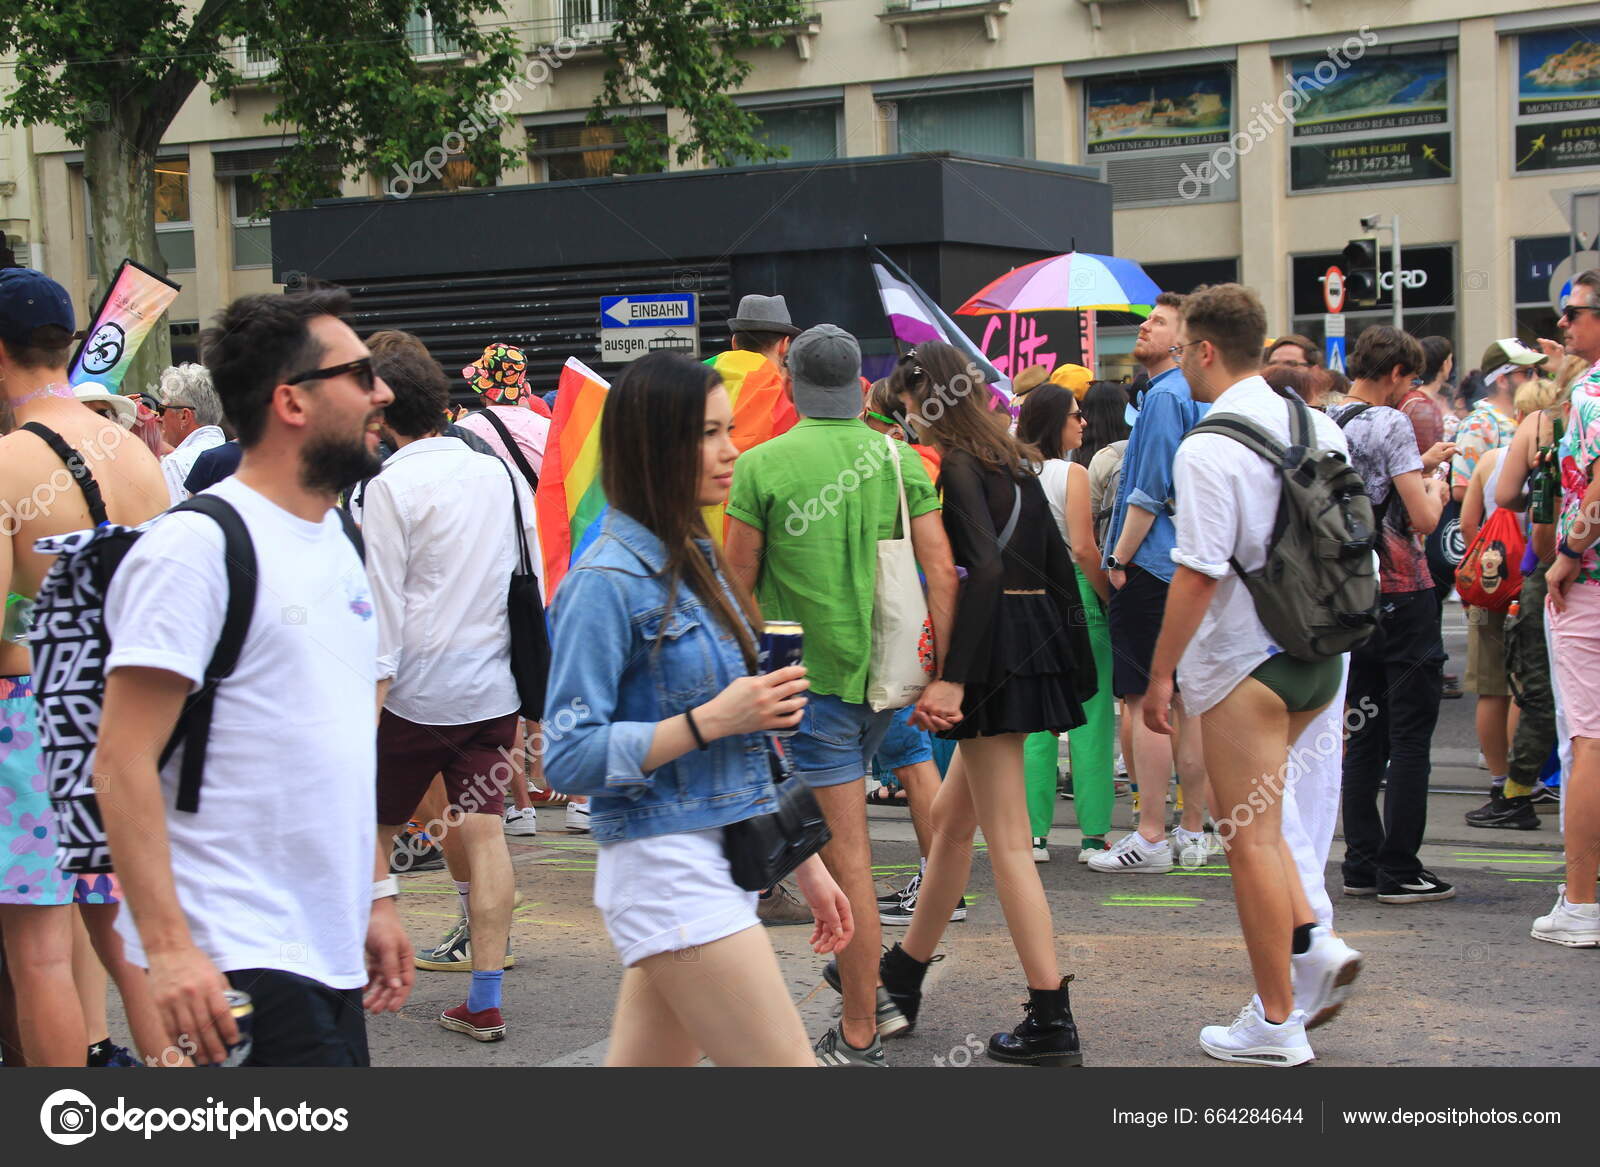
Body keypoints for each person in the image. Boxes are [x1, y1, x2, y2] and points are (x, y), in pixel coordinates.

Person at [96, 286, 412, 1066]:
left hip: (325, 945)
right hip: (234, 951)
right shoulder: (196, 549)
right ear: (291, 401)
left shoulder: (338, 531)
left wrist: (375, 895)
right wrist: (169, 950)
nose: (385, 392)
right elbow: (121, 760)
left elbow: (337, 738)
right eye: (360, 373)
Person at [542, 350, 854, 1065]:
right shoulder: (605, 580)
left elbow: (750, 739)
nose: (731, 449)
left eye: (728, 429)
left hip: (718, 854)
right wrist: (714, 717)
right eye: (709, 433)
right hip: (668, 868)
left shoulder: (695, 553)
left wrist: (803, 859)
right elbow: (567, 753)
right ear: (656, 444)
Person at [724, 325, 959, 1067]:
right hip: (890, 678)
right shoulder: (897, 457)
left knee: (844, 855)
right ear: (862, 385)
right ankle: (874, 994)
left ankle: (861, 1027)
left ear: (789, 380)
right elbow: (941, 572)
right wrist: (945, 674)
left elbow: (736, 584)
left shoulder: (760, 465)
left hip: (810, 684)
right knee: (840, 844)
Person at [1144, 283, 1359, 1066]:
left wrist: (1161, 675)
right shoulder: (1319, 421)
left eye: (1181, 352)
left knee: (1250, 840)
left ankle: (1276, 1020)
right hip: (1320, 652)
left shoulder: (1206, 444)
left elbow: (1197, 573)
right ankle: (1312, 943)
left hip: (1245, 663)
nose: (1181, 366)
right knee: (1272, 826)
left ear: (1204, 349)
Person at [881, 340, 1093, 1068]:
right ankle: (901, 978)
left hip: (990, 652)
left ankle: (1050, 1012)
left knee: (1005, 841)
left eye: (908, 402)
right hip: (1029, 645)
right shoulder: (1011, 460)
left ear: (926, 396)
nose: (905, 416)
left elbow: (986, 570)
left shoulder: (961, 466)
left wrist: (953, 679)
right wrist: (1074, 663)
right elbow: (1057, 567)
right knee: (949, 826)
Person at [0, 268, 170, 1066]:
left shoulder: (10, 462)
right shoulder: (137, 454)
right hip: (125, 717)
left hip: (30, 714)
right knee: (128, 932)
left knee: (37, 954)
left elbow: (4, 628)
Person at [360, 344, 534, 1042]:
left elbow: (381, 610)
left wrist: (361, 714)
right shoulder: (493, 471)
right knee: (486, 833)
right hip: (490, 685)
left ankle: (352, 977)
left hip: (411, 691)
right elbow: (528, 573)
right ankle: (484, 999)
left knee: (367, 834)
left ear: (380, 410)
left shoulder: (388, 487)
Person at [1327, 327, 1457, 905]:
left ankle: (1360, 862)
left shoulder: (1325, 420)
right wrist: (1440, 487)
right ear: (1399, 374)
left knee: (1363, 732)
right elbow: (1422, 518)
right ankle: (1401, 868)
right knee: (1409, 737)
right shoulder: (1392, 422)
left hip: (1351, 594)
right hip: (1403, 589)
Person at [1095, 292, 1213, 874]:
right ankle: (1191, 832)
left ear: (1183, 342)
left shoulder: (1165, 394)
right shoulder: (1189, 393)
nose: (1145, 327)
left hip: (1151, 564)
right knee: (1188, 704)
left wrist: (1118, 558)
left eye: (1158, 323)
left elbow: (1147, 489)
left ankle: (1150, 835)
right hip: (1183, 564)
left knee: (1147, 703)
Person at [860, 380, 959, 926]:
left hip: (890, 629)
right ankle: (940, 883)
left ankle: (939, 887)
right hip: (912, 624)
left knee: (913, 761)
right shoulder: (926, 460)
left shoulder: (893, 463)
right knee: (915, 760)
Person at [1470, 356, 1584, 828]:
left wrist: (1552, 557)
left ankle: (1516, 794)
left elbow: (1515, 502)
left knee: (1539, 689)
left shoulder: (1548, 428)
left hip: (1559, 571)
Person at [1017, 384, 1113, 866]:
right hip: (1075, 594)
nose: (1083, 422)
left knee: (1034, 720)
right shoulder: (1071, 473)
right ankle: (1093, 836)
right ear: (1056, 422)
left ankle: (1032, 835)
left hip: (1026, 599)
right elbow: (1083, 548)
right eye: (1075, 415)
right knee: (1092, 715)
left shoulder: (1008, 468)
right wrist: (1107, 594)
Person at [1533, 271, 1600, 947]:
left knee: (1588, 740)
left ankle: (1581, 902)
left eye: (1574, 313)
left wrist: (1571, 554)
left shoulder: (1594, 392)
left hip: (1592, 584)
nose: (1564, 326)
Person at [154, 363, 227, 504]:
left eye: (162, 409)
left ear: (184, 416)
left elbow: (174, 523)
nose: (158, 417)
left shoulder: (175, 464)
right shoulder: (241, 457)